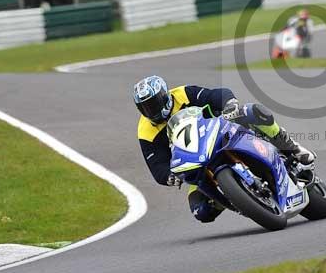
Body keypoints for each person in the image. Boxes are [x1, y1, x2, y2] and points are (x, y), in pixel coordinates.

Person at [133, 75, 315, 223]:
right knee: (200, 211)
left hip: (222, 133)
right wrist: (169, 176)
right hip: (196, 161)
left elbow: (215, 95)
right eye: (145, 107)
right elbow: (156, 165)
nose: (151, 110)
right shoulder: (146, 130)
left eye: (154, 103)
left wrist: (229, 104)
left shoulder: (183, 94)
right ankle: (231, 197)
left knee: (253, 111)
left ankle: (292, 148)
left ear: (164, 95)